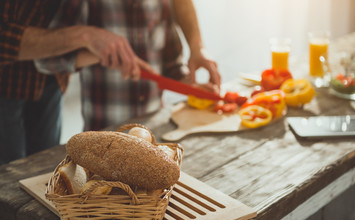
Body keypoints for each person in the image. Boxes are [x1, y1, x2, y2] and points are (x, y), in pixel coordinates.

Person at [0, 0, 154, 165]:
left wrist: (100, 51)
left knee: (42, 168)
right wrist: (85, 36)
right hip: (6, 84)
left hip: (51, 82)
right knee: (7, 176)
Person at [35, 0, 221, 131]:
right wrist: (97, 54)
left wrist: (189, 85)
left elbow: (171, 64)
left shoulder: (162, 4)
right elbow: (44, 61)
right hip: (103, 138)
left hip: (152, 135)